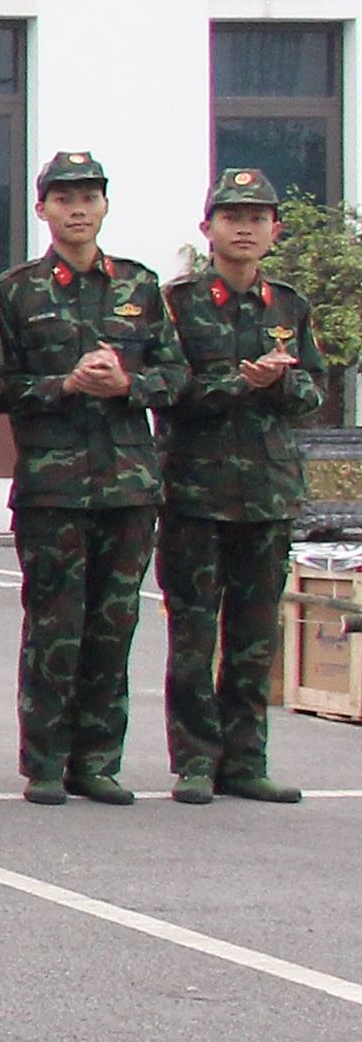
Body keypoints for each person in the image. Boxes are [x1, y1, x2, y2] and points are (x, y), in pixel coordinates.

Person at [0, 150, 183, 807]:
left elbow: (176, 375)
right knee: (53, 624)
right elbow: (0, 386)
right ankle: (44, 761)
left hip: (129, 486)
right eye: (63, 197)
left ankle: (97, 759)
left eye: (88, 196)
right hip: (53, 487)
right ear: (41, 207)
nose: (77, 208)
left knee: (114, 624)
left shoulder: (139, 285)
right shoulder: (15, 291)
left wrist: (130, 383)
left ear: (104, 205)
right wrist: (63, 384)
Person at [155, 166, 324, 806]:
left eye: (257, 217)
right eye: (232, 216)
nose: (245, 227)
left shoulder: (289, 305)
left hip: (269, 495)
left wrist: (279, 382)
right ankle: (196, 760)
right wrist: (236, 383)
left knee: (256, 637)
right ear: (208, 228)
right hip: (196, 493)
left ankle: (245, 760)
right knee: (194, 635)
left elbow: (312, 392)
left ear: (274, 230)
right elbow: (166, 392)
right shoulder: (179, 302)